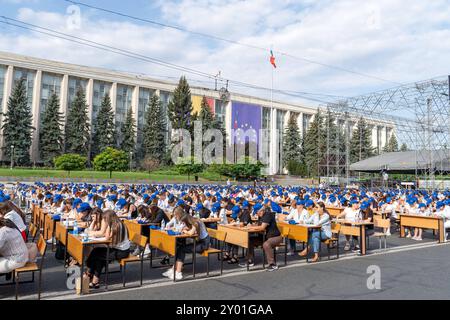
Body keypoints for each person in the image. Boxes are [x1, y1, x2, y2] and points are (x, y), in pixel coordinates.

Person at [85, 210, 130, 289]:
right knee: (97, 252)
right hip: (117, 249)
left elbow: (107, 237)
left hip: (121, 252)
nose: (104, 220)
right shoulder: (118, 223)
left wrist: (108, 226)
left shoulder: (116, 226)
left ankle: (89, 272)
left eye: (105, 219)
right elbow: (108, 238)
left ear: (110, 218)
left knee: (97, 254)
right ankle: (95, 279)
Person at [162, 214, 209, 280]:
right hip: (199, 242)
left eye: (184, 222)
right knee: (179, 247)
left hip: (204, 244)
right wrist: (184, 229)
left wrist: (185, 231)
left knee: (182, 249)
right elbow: (189, 229)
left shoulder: (196, 222)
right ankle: (173, 269)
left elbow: (191, 233)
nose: (184, 224)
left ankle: (178, 272)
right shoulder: (194, 221)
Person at [240, 205, 282, 271]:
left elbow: (262, 227)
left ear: (261, 211)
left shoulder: (268, 215)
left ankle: (272, 264)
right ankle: (249, 260)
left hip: (275, 237)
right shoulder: (261, 216)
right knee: (250, 241)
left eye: (257, 212)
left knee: (266, 244)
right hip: (266, 237)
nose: (257, 214)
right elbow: (259, 225)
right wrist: (252, 226)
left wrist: (250, 227)